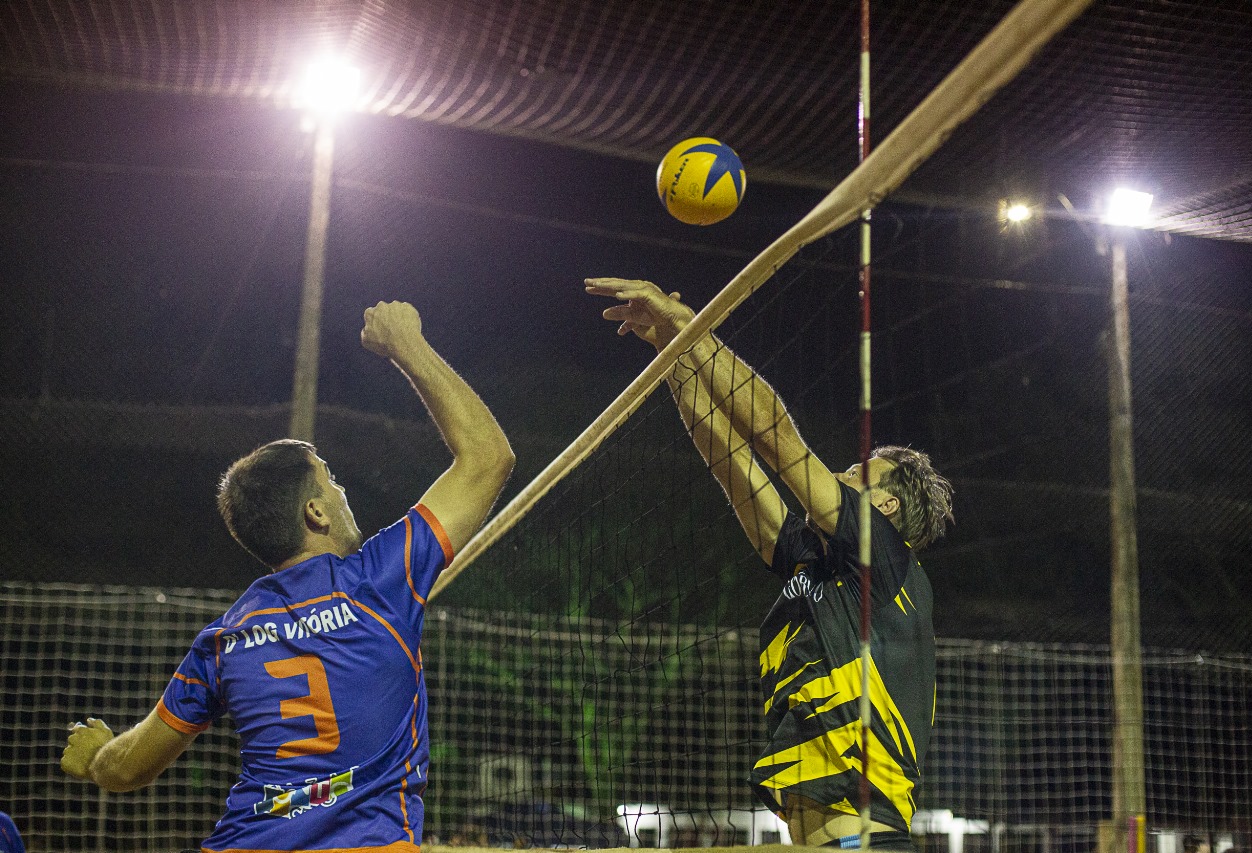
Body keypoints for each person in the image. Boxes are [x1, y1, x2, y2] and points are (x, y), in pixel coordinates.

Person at [61, 301, 514, 852]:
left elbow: (129, 769)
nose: (344, 495)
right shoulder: (378, 579)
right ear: (316, 514)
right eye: (333, 484)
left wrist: (96, 760)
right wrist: (407, 346)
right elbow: (488, 457)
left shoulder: (225, 639)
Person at [587, 278, 954, 851]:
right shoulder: (817, 568)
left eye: (857, 475)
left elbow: (778, 440)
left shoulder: (885, 556)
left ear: (884, 508)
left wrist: (692, 326)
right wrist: (672, 352)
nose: (839, 474)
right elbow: (731, 459)